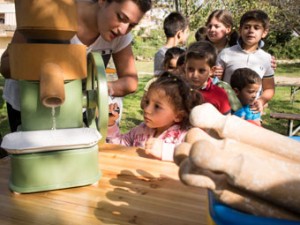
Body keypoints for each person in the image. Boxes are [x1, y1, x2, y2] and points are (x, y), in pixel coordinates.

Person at [0, 0, 152, 132]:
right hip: (27, 107)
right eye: (121, 17)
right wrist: (45, 70)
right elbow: (5, 64)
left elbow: (130, 82)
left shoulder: (119, 35)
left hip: (75, 110)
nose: (123, 30)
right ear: (102, 1)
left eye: (131, 25)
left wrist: (96, 89)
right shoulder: (56, 11)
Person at [107, 72, 203, 161]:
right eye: (147, 102)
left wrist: (165, 151)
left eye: (157, 106)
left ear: (178, 116)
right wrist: (111, 124)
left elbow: (195, 158)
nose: (146, 109)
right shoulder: (141, 130)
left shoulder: (183, 137)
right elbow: (119, 147)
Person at [217, 9, 275, 114]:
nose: (251, 31)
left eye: (256, 28)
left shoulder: (266, 58)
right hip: (226, 113)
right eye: (247, 27)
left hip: (251, 113)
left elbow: (269, 88)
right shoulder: (226, 53)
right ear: (240, 30)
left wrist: (261, 101)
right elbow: (216, 82)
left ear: (264, 33)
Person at [184, 41, 231, 115]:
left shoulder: (219, 94)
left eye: (201, 71)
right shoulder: (178, 91)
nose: (195, 75)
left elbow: (226, 121)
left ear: (212, 71)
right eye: (190, 69)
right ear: (185, 67)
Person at [153, 11, 189, 76]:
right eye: (186, 32)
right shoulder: (162, 54)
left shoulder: (159, 53)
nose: (187, 35)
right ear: (180, 34)